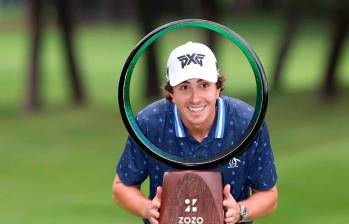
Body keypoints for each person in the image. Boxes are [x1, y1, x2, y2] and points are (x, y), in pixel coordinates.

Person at [112, 42, 278, 224]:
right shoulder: (149, 123)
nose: (195, 98)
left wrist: (240, 211)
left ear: (218, 88)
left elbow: (269, 194)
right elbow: (122, 187)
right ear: (171, 93)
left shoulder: (247, 124)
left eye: (204, 85)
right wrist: (147, 209)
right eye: (184, 87)